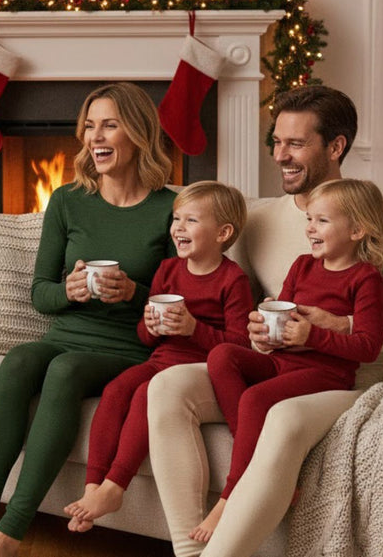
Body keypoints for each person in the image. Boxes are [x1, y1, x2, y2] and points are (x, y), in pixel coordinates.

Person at [145, 86, 383, 557]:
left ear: (335, 147)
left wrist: (339, 326)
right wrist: (254, 334)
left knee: (282, 414)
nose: (279, 155)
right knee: (167, 386)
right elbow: (221, 289)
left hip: (347, 377)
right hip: (283, 364)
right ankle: (189, 551)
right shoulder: (260, 218)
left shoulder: (382, 218)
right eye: (276, 141)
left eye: (295, 144)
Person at [0, 83, 178, 557]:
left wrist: (135, 292)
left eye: (110, 124)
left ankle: (11, 532)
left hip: (128, 346)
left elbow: (180, 302)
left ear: (138, 133)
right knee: (18, 360)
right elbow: (42, 293)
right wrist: (70, 291)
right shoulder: (67, 201)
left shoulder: (171, 209)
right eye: (89, 125)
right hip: (67, 331)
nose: (95, 136)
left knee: (65, 370)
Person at [194, 179, 383, 541]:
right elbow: (280, 313)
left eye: (322, 221)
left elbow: (368, 347)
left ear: (357, 229)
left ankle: (230, 495)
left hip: (327, 374)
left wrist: (313, 335)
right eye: (309, 220)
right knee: (222, 355)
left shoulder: (366, 279)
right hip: (283, 362)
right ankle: (254, 456)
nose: (310, 229)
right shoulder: (302, 266)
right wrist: (262, 334)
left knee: (255, 398)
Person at [64, 181, 255, 532]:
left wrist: (193, 328)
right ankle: (93, 488)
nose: (178, 228)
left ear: (223, 232)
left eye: (191, 221)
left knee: (142, 396)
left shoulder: (233, 280)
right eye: (176, 219)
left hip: (197, 373)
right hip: (160, 361)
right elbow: (145, 335)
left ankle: (115, 486)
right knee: (116, 390)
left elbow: (241, 347)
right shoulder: (168, 271)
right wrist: (150, 326)